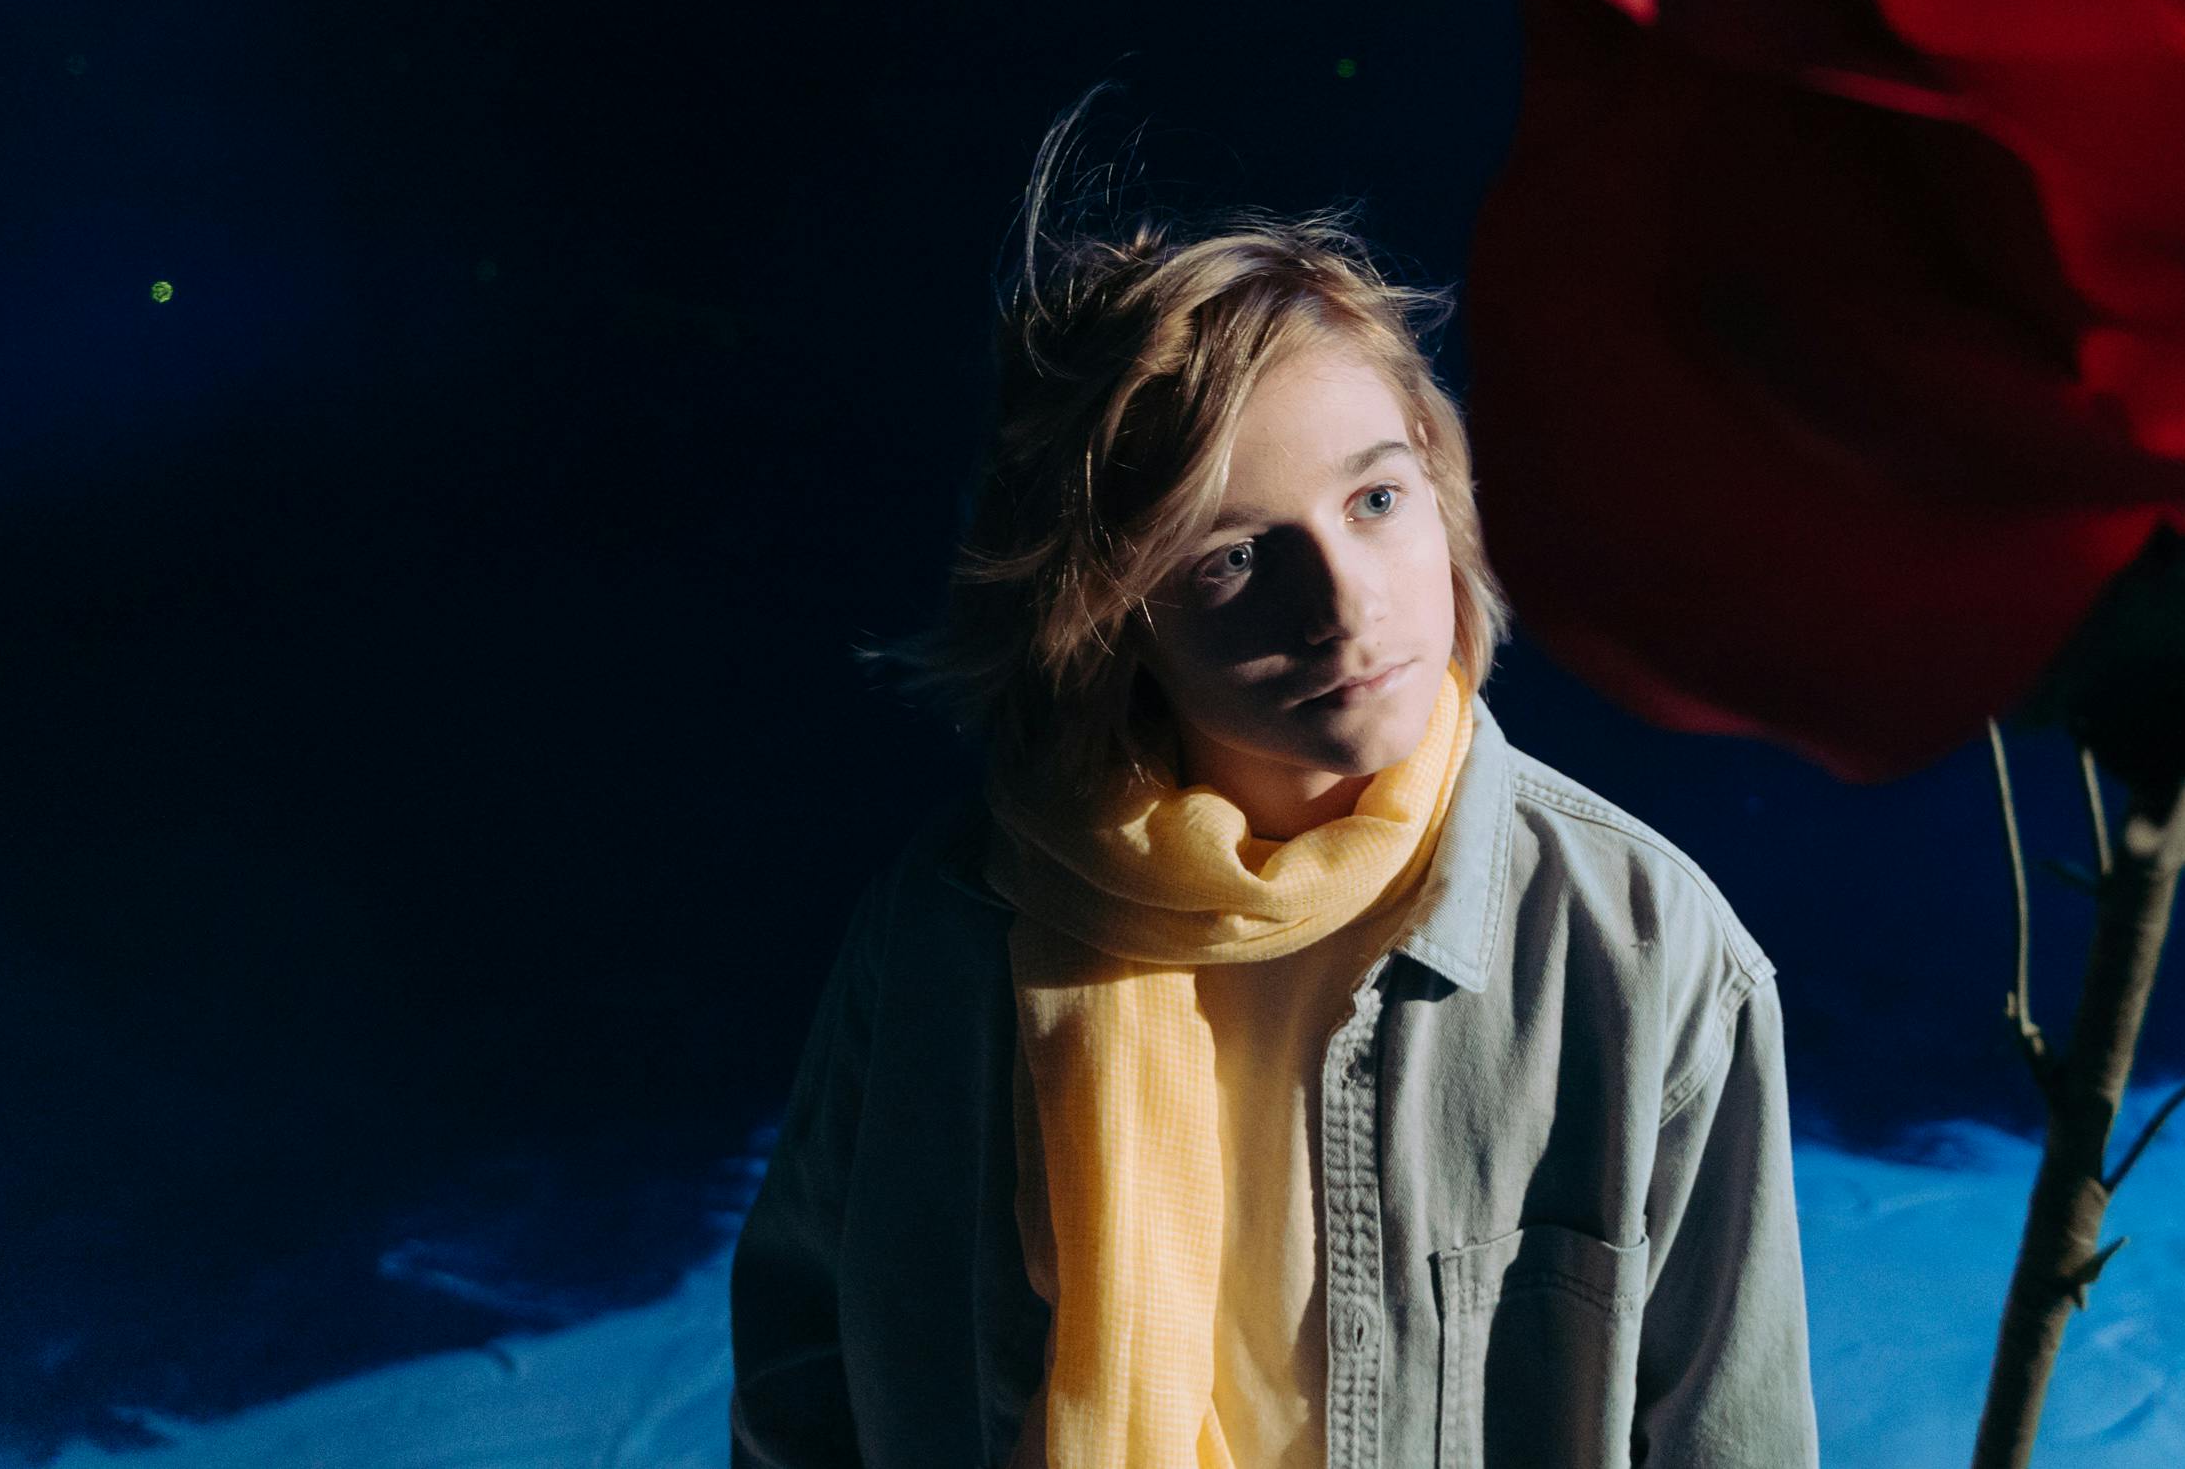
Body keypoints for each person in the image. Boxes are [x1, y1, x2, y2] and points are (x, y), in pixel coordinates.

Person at [726, 106, 1817, 1466]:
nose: (1345, 608)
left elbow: (1734, 1437)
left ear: (1445, 486)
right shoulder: (942, 938)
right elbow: (798, 1382)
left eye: (1375, 500)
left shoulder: (1649, 952)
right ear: (1110, 610)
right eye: (1232, 556)